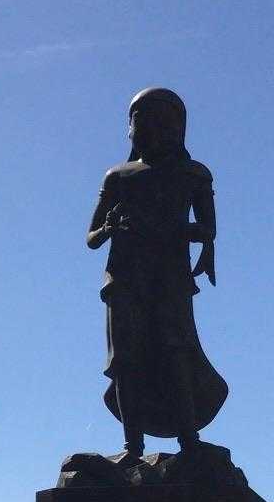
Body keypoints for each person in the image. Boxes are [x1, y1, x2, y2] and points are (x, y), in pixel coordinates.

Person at [87, 87, 228, 463]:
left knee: (175, 351)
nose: (149, 127)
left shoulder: (193, 174)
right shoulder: (118, 176)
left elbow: (208, 229)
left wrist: (172, 229)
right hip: (123, 277)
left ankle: (189, 440)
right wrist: (111, 228)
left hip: (170, 276)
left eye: (161, 120)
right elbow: (92, 237)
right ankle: (132, 447)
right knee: (125, 359)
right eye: (140, 119)